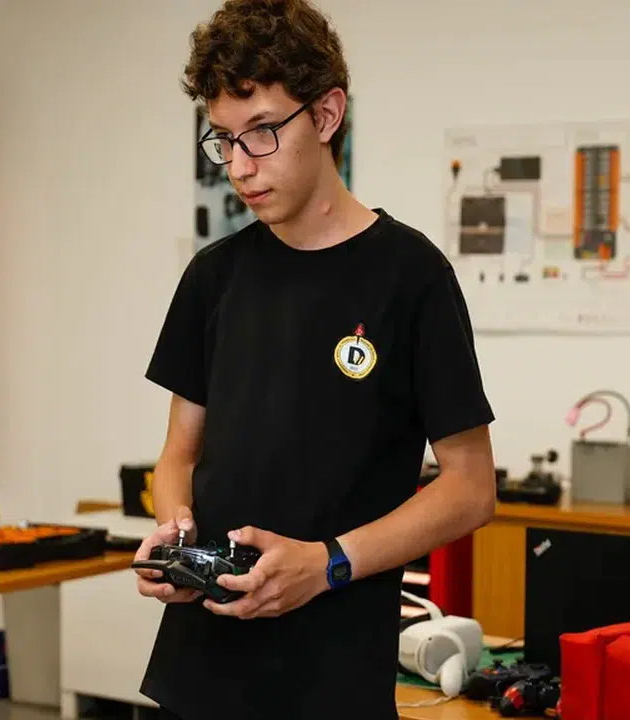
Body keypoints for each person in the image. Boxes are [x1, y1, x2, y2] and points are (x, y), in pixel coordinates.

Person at [132, 1, 498, 717]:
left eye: (262, 132)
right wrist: (177, 540)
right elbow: (179, 453)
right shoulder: (213, 277)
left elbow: (471, 488)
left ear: (326, 115)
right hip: (198, 675)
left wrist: (325, 563)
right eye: (224, 140)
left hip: (332, 682)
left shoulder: (413, 278)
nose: (241, 167)